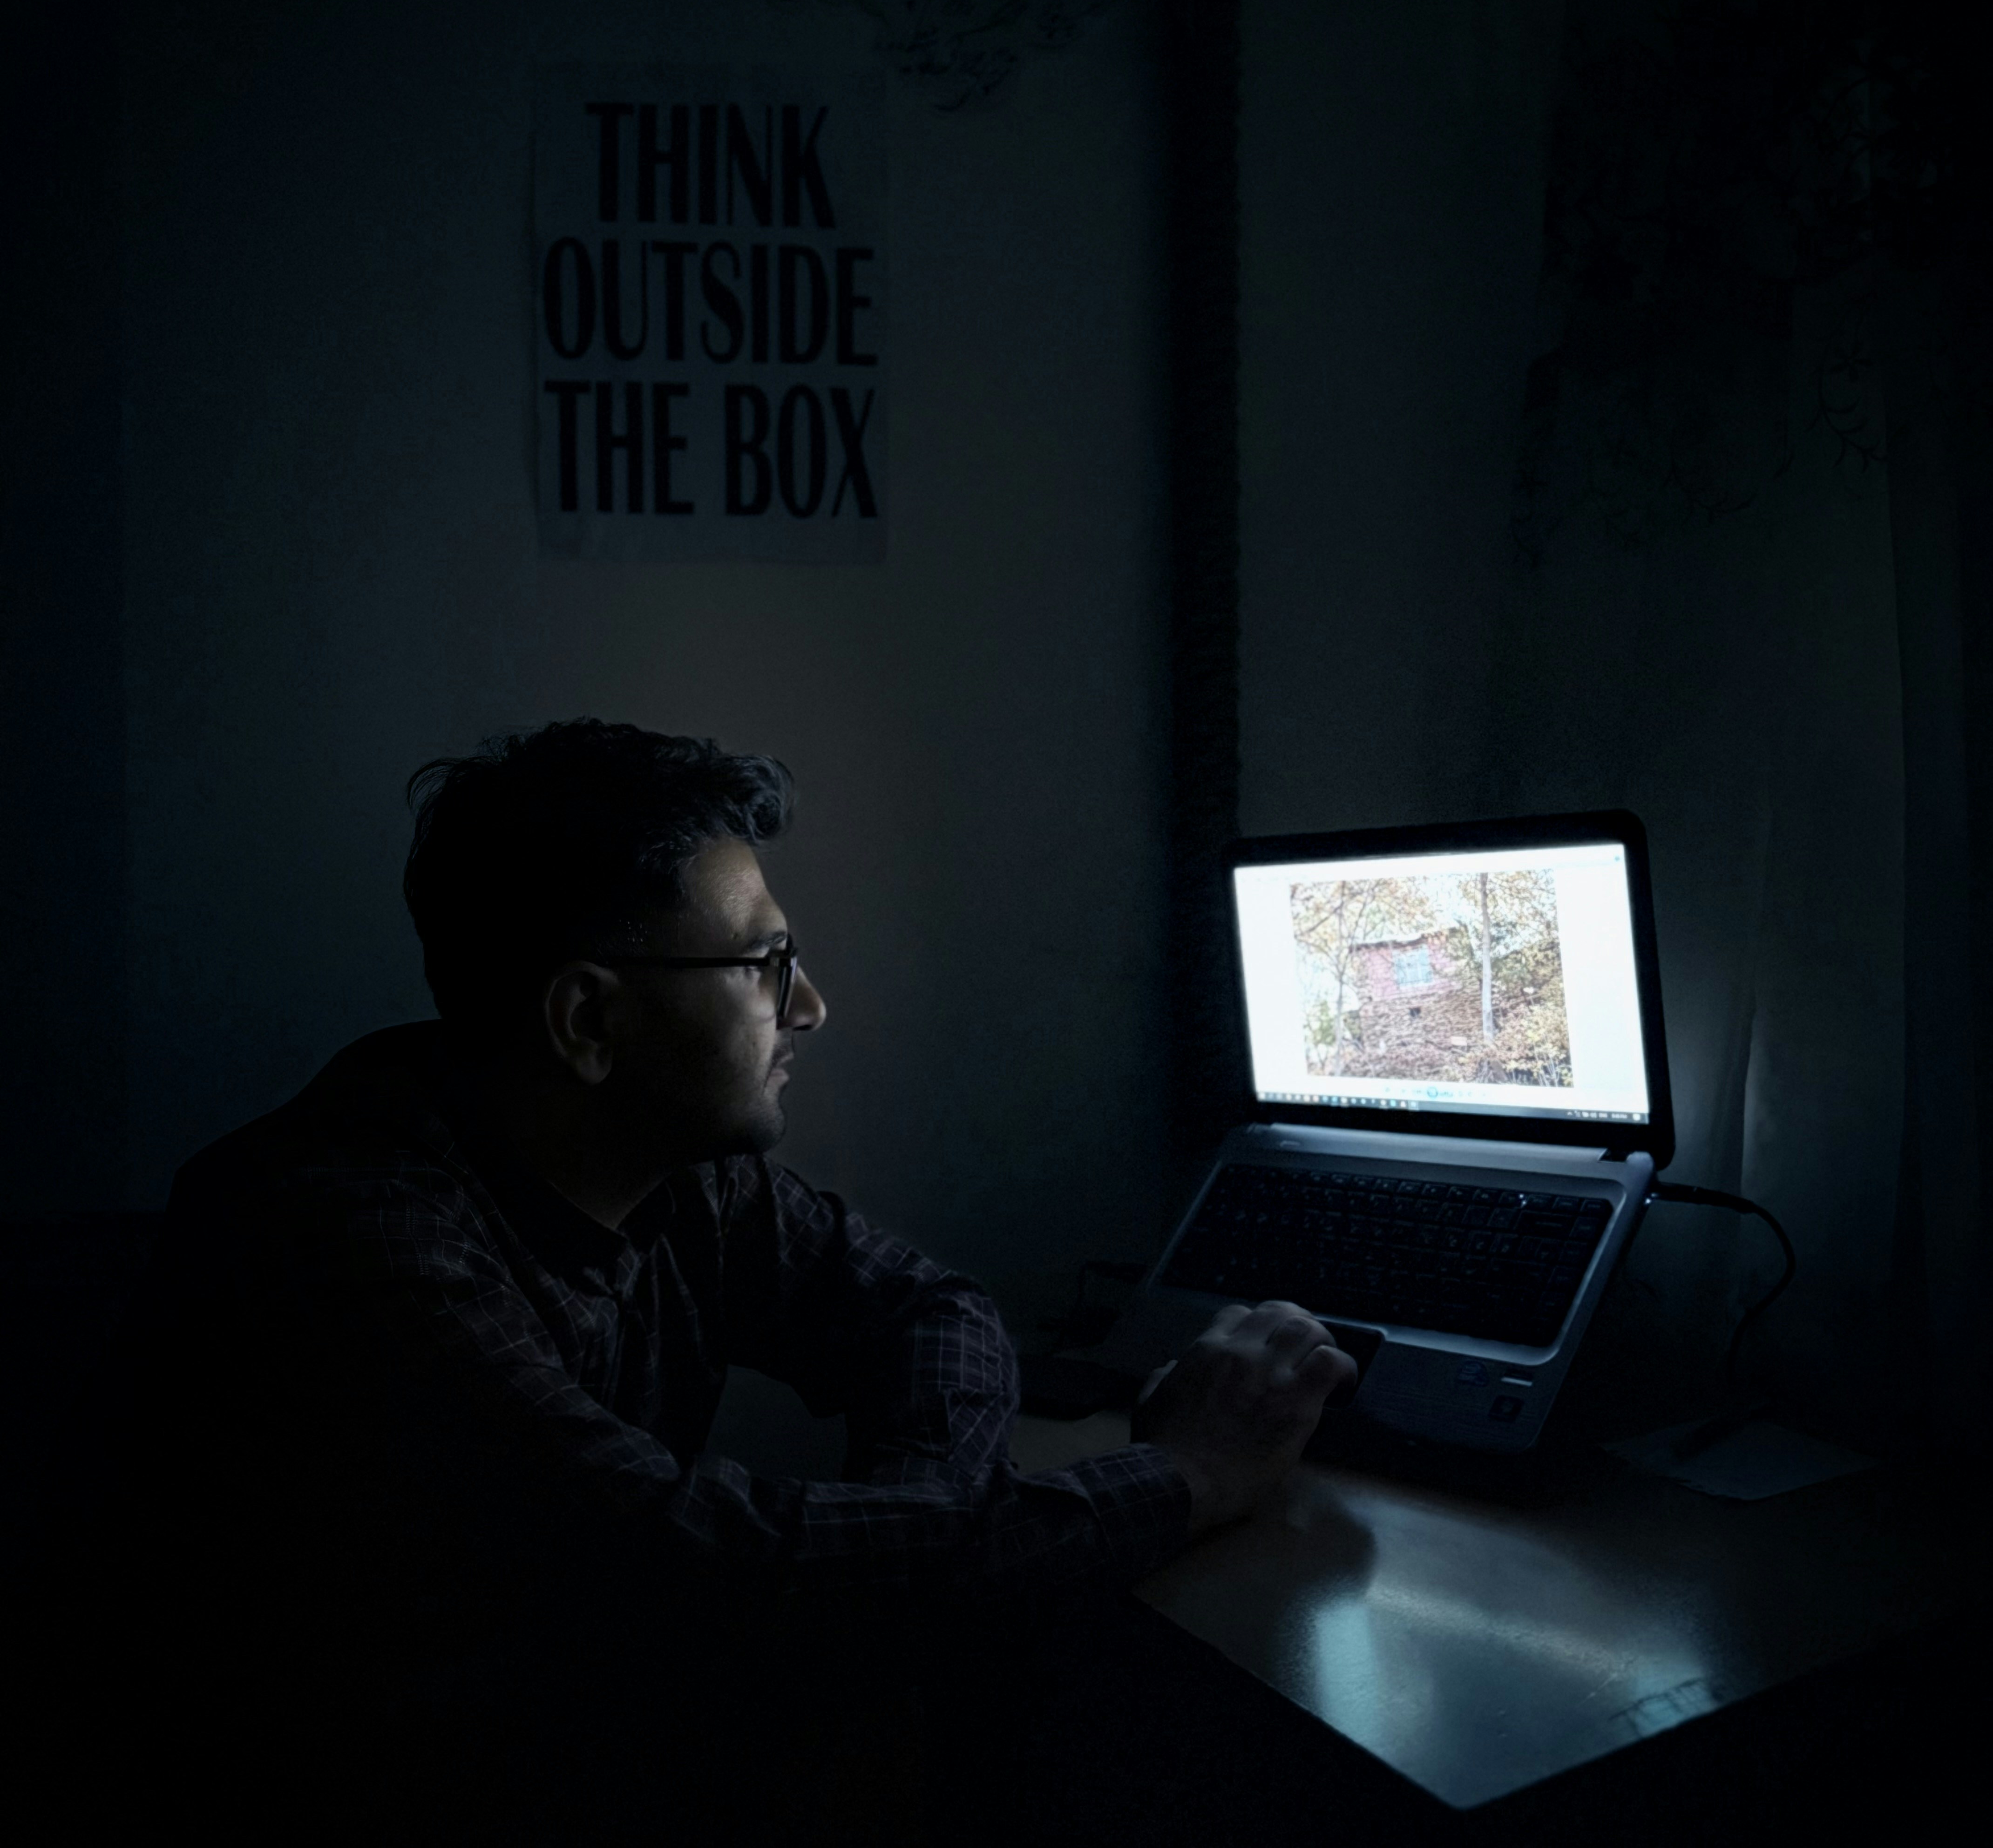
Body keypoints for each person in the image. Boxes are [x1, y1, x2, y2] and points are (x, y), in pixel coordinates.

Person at [41, 719, 1356, 1841]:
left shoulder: (668, 1167)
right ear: (588, 1020)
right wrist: (1188, 1475)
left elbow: (928, 1309)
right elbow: (715, 1571)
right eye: (763, 964)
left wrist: (918, 1520)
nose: (809, 1006)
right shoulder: (355, 1247)